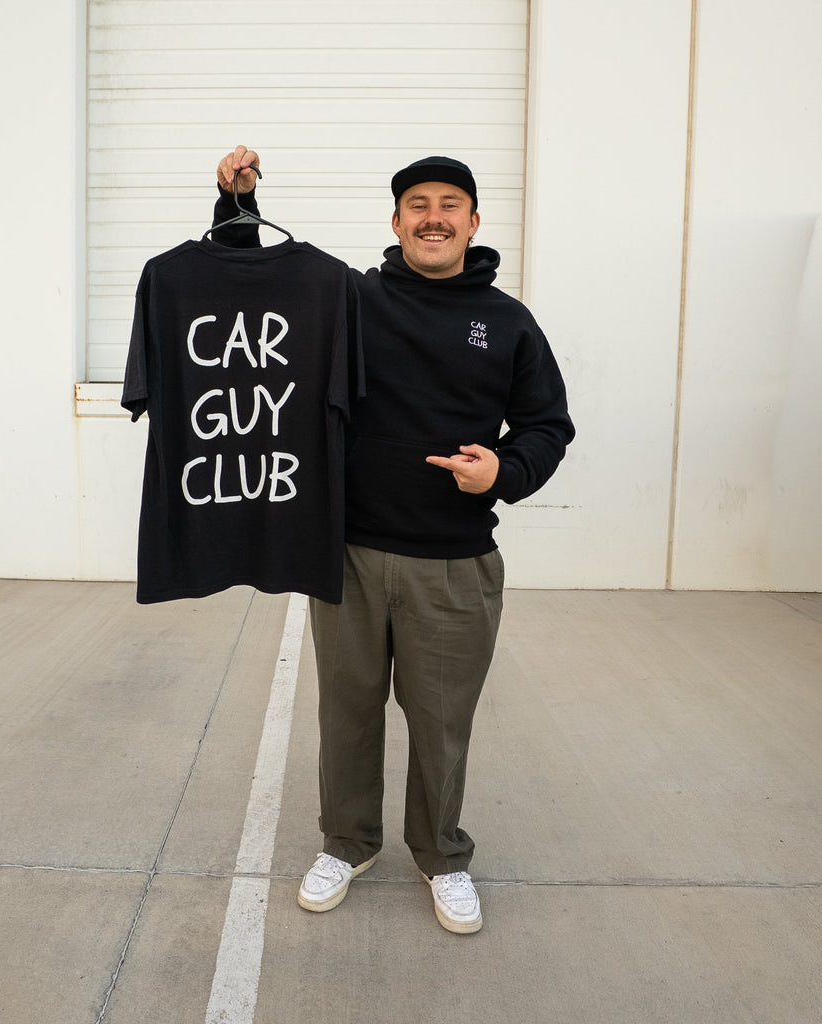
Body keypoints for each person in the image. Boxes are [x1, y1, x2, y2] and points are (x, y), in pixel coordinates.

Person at [213, 146, 575, 934]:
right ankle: (347, 844)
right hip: (347, 555)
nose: (434, 216)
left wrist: (503, 471)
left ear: (474, 222)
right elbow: (256, 288)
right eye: (418, 204)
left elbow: (549, 425)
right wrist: (236, 204)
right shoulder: (352, 299)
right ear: (397, 220)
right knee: (347, 710)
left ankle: (442, 856)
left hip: (455, 563)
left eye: (450, 203)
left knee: (442, 722)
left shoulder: (508, 322)